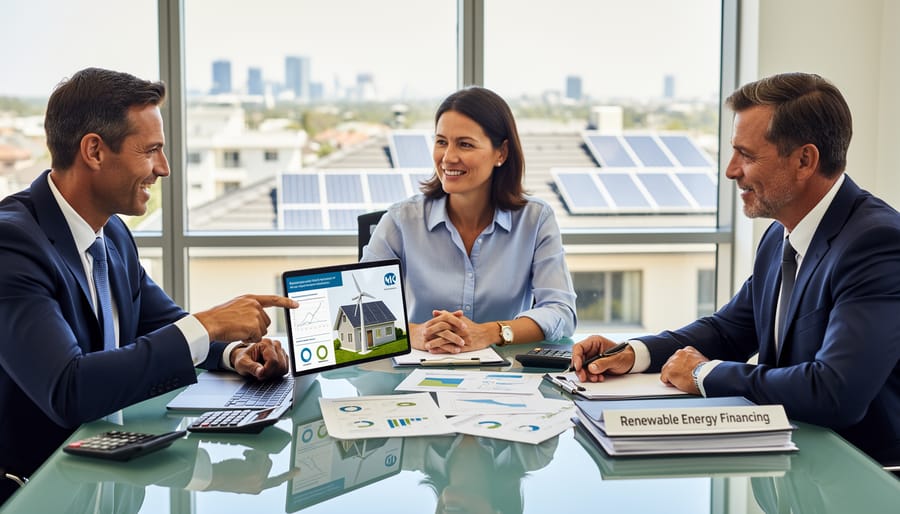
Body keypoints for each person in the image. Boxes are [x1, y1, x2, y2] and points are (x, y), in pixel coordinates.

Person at [0, 67, 297, 504]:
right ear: (94, 151)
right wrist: (208, 324)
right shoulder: (12, 244)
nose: (164, 168)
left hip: (112, 482)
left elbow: (163, 324)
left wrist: (236, 354)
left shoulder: (113, 234)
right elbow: (68, 389)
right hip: (39, 492)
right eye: (151, 150)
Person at [572, 72, 900, 465]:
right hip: (793, 461)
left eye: (747, 155)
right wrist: (634, 353)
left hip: (862, 474)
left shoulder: (876, 243)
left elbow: (835, 392)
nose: (730, 170)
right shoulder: (781, 235)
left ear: (804, 160)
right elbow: (728, 331)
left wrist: (704, 374)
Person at [362, 86, 576, 353]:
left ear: (501, 153)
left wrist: (490, 332)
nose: (448, 157)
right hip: (416, 369)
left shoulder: (535, 220)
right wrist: (415, 334)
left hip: (505, 373)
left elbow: (561, 312)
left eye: (465, 144)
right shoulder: (401, 220)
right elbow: (362, 309)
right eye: (441, 142)